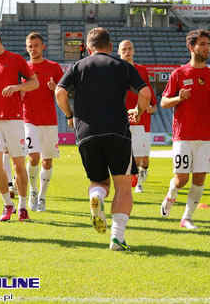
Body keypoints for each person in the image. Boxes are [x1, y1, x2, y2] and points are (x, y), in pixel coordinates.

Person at [55, 27, 151, 251]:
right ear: (110, 46)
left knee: (98, 182)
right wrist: (138, 110)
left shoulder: (77, 66)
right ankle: (117, 238)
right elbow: (145, 93)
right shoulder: (122, 66)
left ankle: (96, 195)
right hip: (117, 132)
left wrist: (69, 115)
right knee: (123, 186)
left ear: (89, 48)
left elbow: (59, 92)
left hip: (87, 134)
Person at [160, 29, 210, 230]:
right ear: (191, 47)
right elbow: (164, 102)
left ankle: (187, 218)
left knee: (199, 178)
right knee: (182, 179)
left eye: (208, 44)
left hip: (206, 136)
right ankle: (171, 195)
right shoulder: (179, 74)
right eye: (202, 44)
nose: (207, 48)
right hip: (183, 135)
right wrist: (179, 98)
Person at [0, 24, 39, 222]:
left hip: (13, 119)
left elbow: (34, 83)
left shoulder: (16, 59)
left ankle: (22, 205)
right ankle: (7, 204)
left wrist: (17, 86)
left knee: (18, 164)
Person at [20, 32, 64, 212]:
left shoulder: (54, 67)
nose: (33, 49)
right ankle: (32, 191)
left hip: (49, 121)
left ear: (43, 46)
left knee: (47, 161)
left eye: (36, 45)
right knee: (33, 157)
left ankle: (42, 197)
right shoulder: (22, 68)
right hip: (29, 119)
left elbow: (64, 92)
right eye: (30, 46)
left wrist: (55, 89)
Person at [118, 40, 157, 193]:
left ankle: (141, 175)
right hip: (121, 121)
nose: (127, 52)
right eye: (124, 49)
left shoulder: (142, 70)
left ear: (133, 51)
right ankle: (135, 183)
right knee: (128, 156)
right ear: (119, 52)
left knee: (143, 158)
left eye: (129, 49)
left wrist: (150, 107)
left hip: (141, 120)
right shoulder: (114, 70)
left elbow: (149, 96)